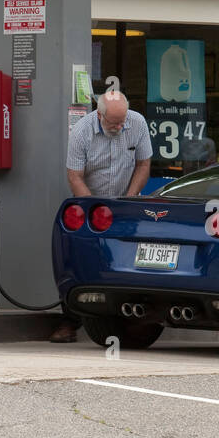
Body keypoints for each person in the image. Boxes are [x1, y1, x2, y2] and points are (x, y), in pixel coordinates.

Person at [51, 90, 153, 343]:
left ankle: (130, 318)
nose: (119, 127)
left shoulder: (137, 123)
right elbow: (75, 175)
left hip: (124, 202)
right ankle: (70, 321)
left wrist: (130, 198)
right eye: (113, 123)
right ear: (99, 115)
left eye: (122, 122)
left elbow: (143, 164)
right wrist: (92, 209)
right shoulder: (82, 131)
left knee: (127, 258)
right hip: (91, 203)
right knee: (81, 258)